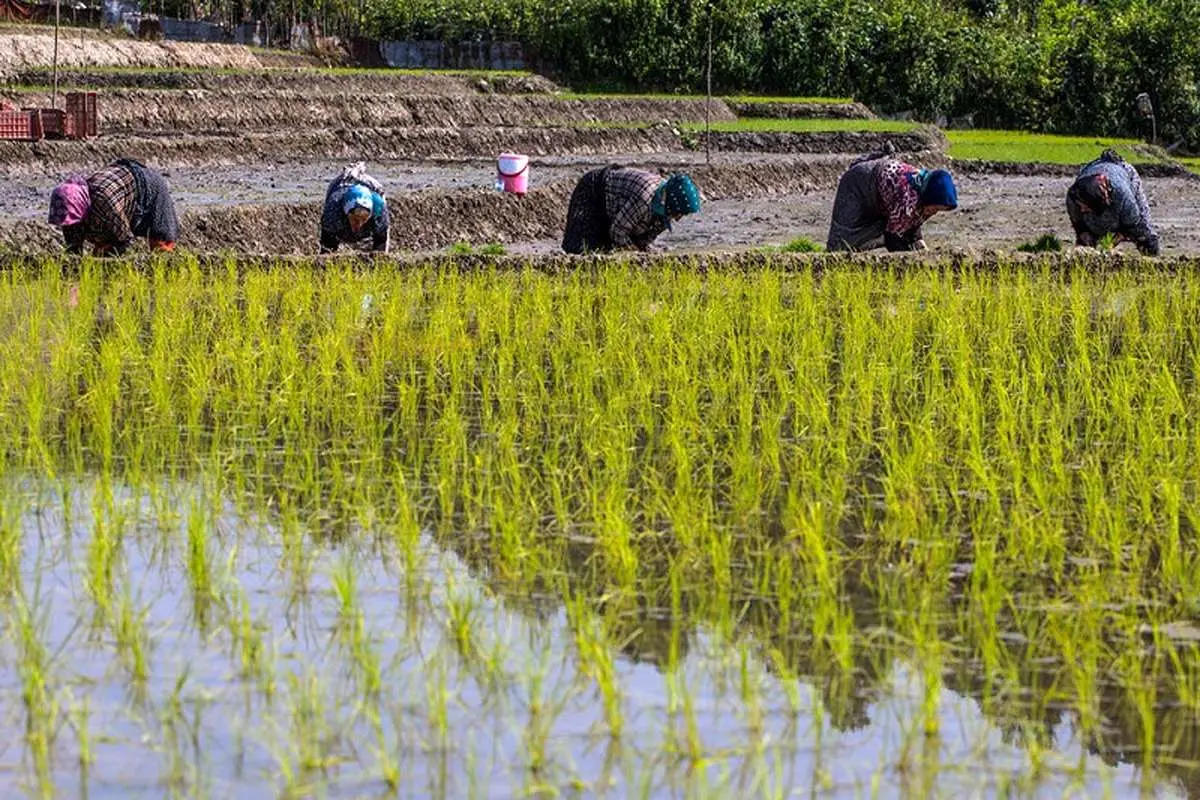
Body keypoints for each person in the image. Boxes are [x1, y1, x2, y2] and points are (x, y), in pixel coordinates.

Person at [826, 147, 958, 252]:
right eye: (934, 208)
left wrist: (922, 249)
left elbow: (913, 225)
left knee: (897, 226)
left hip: (881, 192)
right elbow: (892, 239)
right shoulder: (907, 199)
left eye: (938, 211)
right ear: (927, 198)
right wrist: (908, 260)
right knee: (840, 245)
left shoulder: (924, 191)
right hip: (857, 185)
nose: (933, 212)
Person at [48, 158, 179, 255]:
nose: (68, 226)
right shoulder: (71, 212)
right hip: (120, 194)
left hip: (148, 186)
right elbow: (73, 250)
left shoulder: (104, 203)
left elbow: (124, 239)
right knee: (100, 251)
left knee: (161, 245)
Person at [561, 166, 701, 254]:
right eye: (679, 213)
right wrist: (633, 251)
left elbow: (646, 239)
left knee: (612, 251)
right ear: (672, 204)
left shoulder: (665, 207)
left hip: (617, 207)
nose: (678, 218)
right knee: (584, 249)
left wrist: (644, 251)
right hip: (594, 193)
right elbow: (618, 231)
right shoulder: (645, 198)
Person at [1066, 149, 1159, 255]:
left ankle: (1152, 258)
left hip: (1123, 174)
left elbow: (1133, 223)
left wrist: (1113, 241)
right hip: (1093, 171)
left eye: (1085, 206)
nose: (1082, 209)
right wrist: (1085, 239)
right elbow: (1080, 227)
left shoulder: (1123, 195)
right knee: (1088, 238)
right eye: (1081, 206)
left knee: (1145, 235)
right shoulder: (1073, 198)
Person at [320, 162, 390, 253]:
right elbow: (326, 247)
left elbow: (381, 244)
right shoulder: (333, 210)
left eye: (364, 220)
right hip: (340, 186)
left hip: (371, 186)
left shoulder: (379, 210)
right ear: (347, 213)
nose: (359, 224)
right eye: (355, 220)